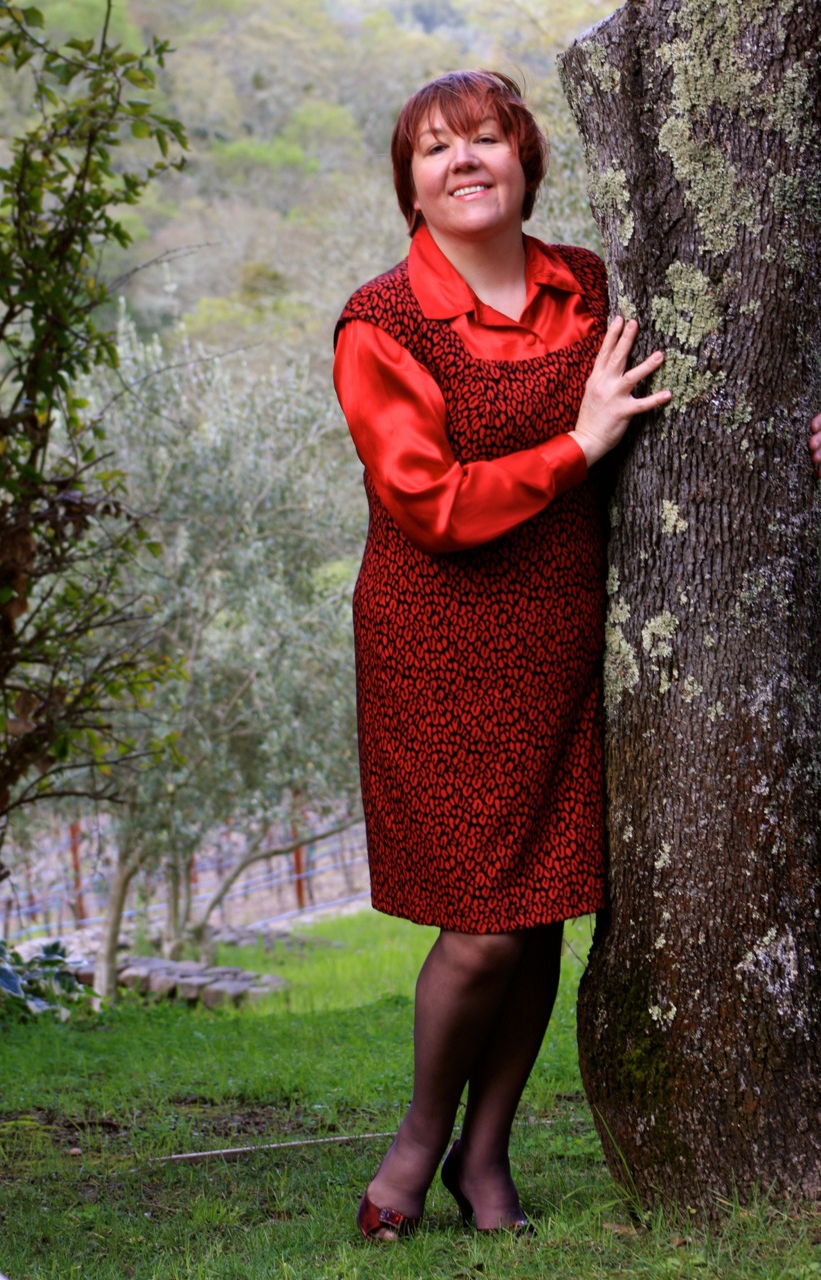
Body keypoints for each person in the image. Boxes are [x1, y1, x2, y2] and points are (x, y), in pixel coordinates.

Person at [333, 68, 812, 1241]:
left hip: (558, 634)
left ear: (524, 159)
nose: (463, 161)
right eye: (435, 148)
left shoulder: (588, 283)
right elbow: (426, 499)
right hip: (435, 642)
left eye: (485, 139)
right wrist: (577, 441)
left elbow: (703, 387)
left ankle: (483, 1160)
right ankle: (412, 1143)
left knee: (543, 900)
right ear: (408, 184)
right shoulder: (377, 321)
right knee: (481, 920)